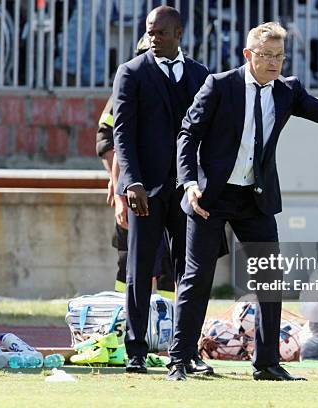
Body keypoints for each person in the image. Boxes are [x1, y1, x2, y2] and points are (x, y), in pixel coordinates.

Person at [167, 21, 318, 381]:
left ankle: (267, 363)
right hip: (210, 195)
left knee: (270, 279)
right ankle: (180, 359)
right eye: (265, 55)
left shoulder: (287, 90)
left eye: (279, 56)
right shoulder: (219, 85)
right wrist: (189, 182)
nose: (273, 63)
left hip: (255, 197)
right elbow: (188, 133)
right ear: (247, 54)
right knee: (198, 277)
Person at [112, 5, 210, 374]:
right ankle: (135, 351)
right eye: (150, 31)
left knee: (191, 272)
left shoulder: (202, 74)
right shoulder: (132, 73)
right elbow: (122, 133)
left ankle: (187, 352)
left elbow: (210, 134)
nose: (153, 38)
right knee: (139, 271)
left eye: (161, 32)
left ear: (178, 33)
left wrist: (204, 183)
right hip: (146, 190)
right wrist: (130, 182)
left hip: (188, 191)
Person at [96, 34, 175, 300]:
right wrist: (118, 183)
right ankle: (123, 318)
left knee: (169, 264)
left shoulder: (183, 83)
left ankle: (168, 323)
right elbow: (108, 138)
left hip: (169, 190)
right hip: (134, 191)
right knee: (128, 259)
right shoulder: (128, 86)